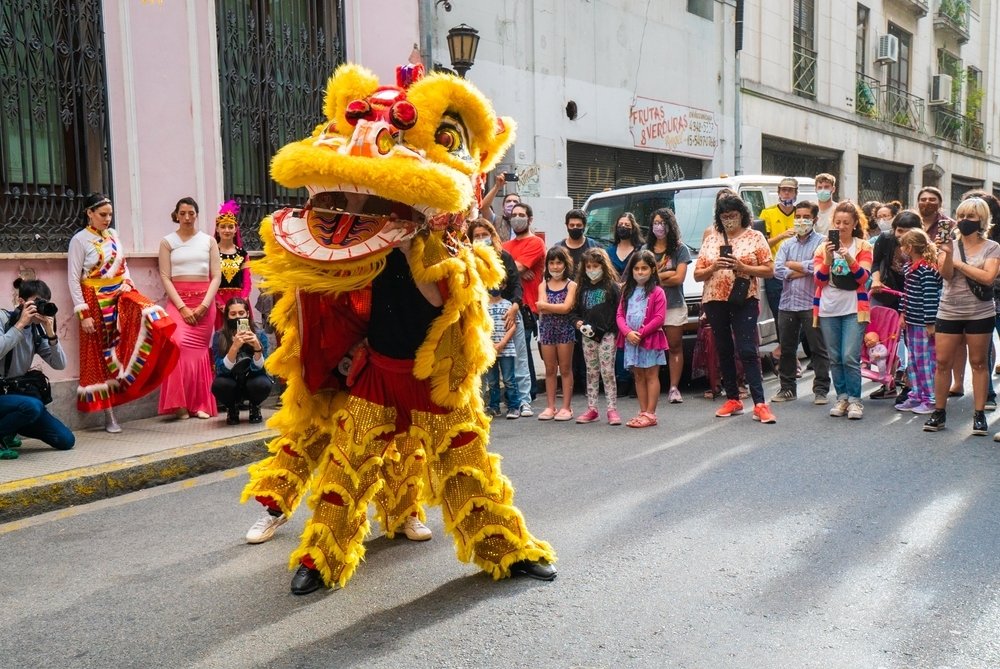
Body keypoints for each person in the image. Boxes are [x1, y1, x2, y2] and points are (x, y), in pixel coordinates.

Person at [68, 193, 178, 433]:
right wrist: (83, 314)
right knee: (100, 356)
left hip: (119, 297)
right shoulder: (79, 240)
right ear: (89, 213)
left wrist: (127, 283)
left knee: (137, 331)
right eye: (102, 214)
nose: (107, 219)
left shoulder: (114, 236)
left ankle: (136, 383)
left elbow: (123, 265)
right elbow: (74, 279)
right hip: (94, 302)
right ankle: (109, 415)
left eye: (110, 215)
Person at [694, 195, 776, 423]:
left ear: (742, 215)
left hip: (743, 299)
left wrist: (742, 266)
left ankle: (760, 403)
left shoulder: (755, 237)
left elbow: (769, 270)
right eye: (724, 216)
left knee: (748, 349)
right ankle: (733, 398)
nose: (729, 220)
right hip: (714, 299)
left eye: (733, 215)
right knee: (724, 349)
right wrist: (713, 267)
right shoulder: (712, 239)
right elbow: (697, 274)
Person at [923, 198, 1000, 435]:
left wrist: (958, 262)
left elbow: (988, 278)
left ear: (982, 220)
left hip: (980, 311)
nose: (965, 221)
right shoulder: (948, 245)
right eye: (962, 215)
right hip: (949, 309)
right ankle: (939, 412)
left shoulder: (992, 247)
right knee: (943, 362)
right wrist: (946, 253)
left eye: (971, 217)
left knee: (978, 362)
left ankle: (979, 414)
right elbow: (946, 275)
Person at [158, 197, 222, 419]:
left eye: (191, 213)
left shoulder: (208, 241)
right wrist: (183, 307)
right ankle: (180, 405)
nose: (187, 217)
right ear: (176, 215)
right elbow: (165, 277)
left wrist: (205, 304)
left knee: (199, 354)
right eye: (182, 213)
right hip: (178, 303)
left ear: (196, 215)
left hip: (205, 303)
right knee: (175, 344)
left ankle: (201, 404)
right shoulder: (168, 242)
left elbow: (217, 276)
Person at [0, 279, 74, 458]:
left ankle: (7, 432)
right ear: (22, 302)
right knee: (32, 406)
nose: (40, 307)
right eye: (36, 302)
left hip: (17, 397)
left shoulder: (36, 331)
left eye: (44, 303)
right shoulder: (3, 319)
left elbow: (60, 364)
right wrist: (20, 325)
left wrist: (51, 333)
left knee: (65, 440)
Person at [814, 201, 874, 421]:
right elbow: (819, 282)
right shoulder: (822, 248)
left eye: (846, 222)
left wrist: (848, 256)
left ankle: (856, 401)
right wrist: (828, 260)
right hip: (828, 308)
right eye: (837, 222)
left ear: (855, 223)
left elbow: (865, 279)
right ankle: (842, 397)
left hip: (854, 309)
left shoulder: (863, 247)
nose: (841, 226)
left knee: (850, 356)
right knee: (835, 357)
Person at [468, 218, 532, 417]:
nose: (480, 239)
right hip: (482, 316)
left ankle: (523, 402)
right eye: (476, 236)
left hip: (508, 313)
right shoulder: (469, 259)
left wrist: (514, 307)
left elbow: (516, 285)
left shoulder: (503, 256)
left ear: (492, 235)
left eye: (484, 235)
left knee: (518, 360)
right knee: (488, 366)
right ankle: (491, 403)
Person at [771, 201, 830, 404]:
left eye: (806, 216)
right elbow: (776, 269)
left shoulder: (822, 242)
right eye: (798, 216)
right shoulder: (787, 244)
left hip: (812, 303)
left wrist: (793, 267)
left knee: (818, 348)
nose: (801, 220)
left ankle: (821, 389)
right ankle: (787, 388)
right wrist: (799, 271)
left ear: (814, 219)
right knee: (787, 348)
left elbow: (819, 266)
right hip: (787, 304)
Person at [868, 210, 922, 401]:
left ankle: (910, 385)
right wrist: (876, 281)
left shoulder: (921, 244)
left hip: (913, 296)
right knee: (885, 343)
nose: (903, 235)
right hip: (887, 292)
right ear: (893, 230)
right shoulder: (885, 239)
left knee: (912, 342)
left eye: (908, 231)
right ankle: (887, 383)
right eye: (899, 230)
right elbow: (876, 264)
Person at [616, 250, 668, 428]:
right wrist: (627, 332)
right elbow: (619, 315)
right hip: (632, 340)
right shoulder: (627, 291)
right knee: (638, 375)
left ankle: (650, 413)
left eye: (644, 268)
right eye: (636, 268)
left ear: (652, 269)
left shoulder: (658, 292)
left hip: (650, 339)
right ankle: (642, 410)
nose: (640, 272)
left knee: (651, 374)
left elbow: (659, 318)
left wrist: (641, 333)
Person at [644, 207, 691, 403]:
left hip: (673, 305)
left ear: (670, 225)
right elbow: (640, 278)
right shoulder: (644, 250)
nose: (658, 227)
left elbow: (679, 278)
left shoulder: (680, 249)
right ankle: (650, 384)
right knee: (650, 347)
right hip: (648, 306)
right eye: (655, 223)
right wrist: (666, 275)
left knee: (674, 346)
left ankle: (673, 388)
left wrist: (654, 278)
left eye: (662, 223)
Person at [571, 248, 621, 425]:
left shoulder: (612, 287)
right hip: (588, 335)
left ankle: (611, 409)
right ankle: (592, 408)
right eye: (588, 266)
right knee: (591, 371)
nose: (592, 269)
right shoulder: (581, 289)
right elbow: (574, 312)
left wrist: (614, 332)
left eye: (595, 265)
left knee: (607, 371)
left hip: (607, 335)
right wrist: (577, 323)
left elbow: (619, 311)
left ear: (604, 266)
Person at [894, 230, 942, 415]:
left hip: (923, 323)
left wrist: (930, 323)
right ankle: (917, 394)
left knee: (926, 361)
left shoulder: (927, 270)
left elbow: (931, 298)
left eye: (903, 245)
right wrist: (902, 313)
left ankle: (930, 398)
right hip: (912, 322)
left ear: (910, 247)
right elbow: (907, 293)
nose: (901, 249)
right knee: (914, 360)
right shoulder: (910, 267)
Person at [503, 202, 547, 401]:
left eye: (521, 214)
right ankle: (516, 393)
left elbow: (516, 268)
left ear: (529, 219)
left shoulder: (536, 242)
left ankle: (528, 392)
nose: (517, 218)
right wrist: (516, 269)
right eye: (514, 215)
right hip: (507, 304)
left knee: (523, 351)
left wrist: (512, 269)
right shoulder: (505, 245)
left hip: (528, 305)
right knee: (510, 350)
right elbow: (512, 269)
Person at [212, 297, 273, 425]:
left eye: (241, 313)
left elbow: (264, 368)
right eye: (233, 314)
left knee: (262, 383)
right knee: (219, 385)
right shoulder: (220, 336)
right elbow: (220, 370)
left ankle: (254, 406)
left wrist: (257, 347)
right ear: (227, 316)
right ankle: (232, 407)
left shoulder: (259, 334)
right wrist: (234, 348)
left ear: (248, 314)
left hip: (252, 380)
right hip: (232, 381)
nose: (237, 317)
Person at [759, 177, 799, 363]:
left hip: (798, 271)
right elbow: (763, 243)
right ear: (778, 192)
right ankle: (786, 352)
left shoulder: (800, 214)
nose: (786, 193)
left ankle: (788, 350)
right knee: (780, 312)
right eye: (783, 190)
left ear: (795, 193)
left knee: (800, 312)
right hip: (776, 271)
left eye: (790, 190)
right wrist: (781, 236)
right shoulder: (767, 213)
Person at [536, 246, 577, 421]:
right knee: (550, 369)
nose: (555, 266)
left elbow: (566, 308)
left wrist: (547, 307)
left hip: (565, 331)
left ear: (565, 264)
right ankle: (550, 406)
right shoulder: (543, 285)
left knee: (565, 369)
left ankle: (566, 407)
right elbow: (540, 308)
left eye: (559, 263)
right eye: (551, 263)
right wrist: (553, 308)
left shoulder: (571, 285)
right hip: (547, 331)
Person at [213, 200, 252, 329]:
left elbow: (247, 281)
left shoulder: (243, 254)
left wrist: (242, 302)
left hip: (240, 301)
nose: (227, 230)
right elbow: (210, 279)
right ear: (217, 230)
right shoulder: (211, 253)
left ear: (236, 230)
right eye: (223, 227)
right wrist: (220, 304)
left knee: (243, 334)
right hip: (219, 301)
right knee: (223, 337)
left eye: (230, 227)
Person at [484, 280, 519, 419]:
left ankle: (513, 406)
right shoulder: (483, 306)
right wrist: (490, 344)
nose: (494, 287)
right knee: (492, 381)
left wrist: (502, 343)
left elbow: (513, 326)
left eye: (498, 283)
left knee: (509, 379)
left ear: (504, 286)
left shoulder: (508, 304)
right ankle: (494, 406)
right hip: (489, 350)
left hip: (507, 349)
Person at [480, 172, 519, 241]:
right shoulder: (496, 220)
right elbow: (484, 207)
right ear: (503, 207)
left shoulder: (525, 225)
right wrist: (497, 186)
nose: (511, 203)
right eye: (508, 201)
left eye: (515, 201)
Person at [605, 212, 644, 276]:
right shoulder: (609, 251)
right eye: (620, 224)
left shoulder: (640, 250)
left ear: (633, 229)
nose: (623, 227)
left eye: (627, 225)